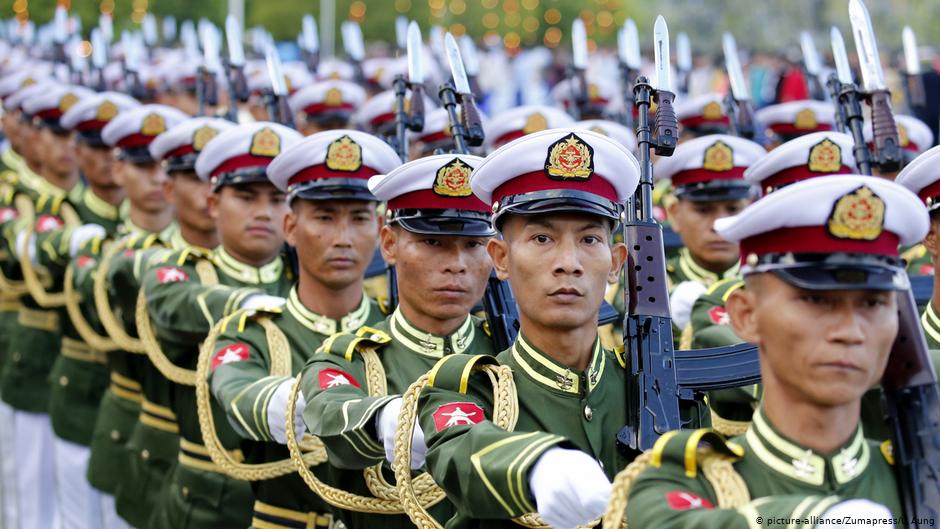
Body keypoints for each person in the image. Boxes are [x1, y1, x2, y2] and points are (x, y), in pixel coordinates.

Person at [622, 175, 923, 528]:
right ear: (746, 316)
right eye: (816, 300)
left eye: (873, 303)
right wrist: (813, 520)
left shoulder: (921, 473)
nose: (850, 331)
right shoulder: (687, 483)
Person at [412, 129, 640, 529]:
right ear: (500, 258)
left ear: (616, 262)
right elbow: (460, 452)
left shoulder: (654, 390)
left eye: (589, 238)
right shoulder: (464, 388)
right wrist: (538, 464)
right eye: (541, 238)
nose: (568, 262)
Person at [207, 129, 401, 528]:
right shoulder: (252, 332)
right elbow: (242, 397)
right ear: (290, 228)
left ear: (383, 235)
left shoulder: (396, 331)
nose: (343, 238)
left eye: (359, 219)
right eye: (325, 218)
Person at [296, 152, 497, 528]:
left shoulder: (507, 356)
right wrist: (392, 418)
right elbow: (329, 411)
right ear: (389, 244)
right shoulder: (350, 357)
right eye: (432, 242)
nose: (456, 263)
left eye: (473, 245)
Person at [141, 122, 301, 529]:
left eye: (277, 199)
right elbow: (171, 300)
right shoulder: (188, 273)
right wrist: (246, 302)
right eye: (246, 197)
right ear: (213, 204)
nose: (264, 212)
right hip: (211, 499)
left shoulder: (310, 281)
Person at [76, 103, 188, 528]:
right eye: (144, 167)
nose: (158, 178)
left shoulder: (209, 259)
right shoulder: (103, 250)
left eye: (167, 168)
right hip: (133, 432)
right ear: (118, 169)